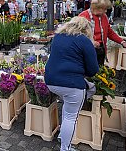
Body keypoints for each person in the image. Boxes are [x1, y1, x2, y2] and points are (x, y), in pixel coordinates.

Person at [45, 17, 99, 151]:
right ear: (86, 29)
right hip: (71, 84)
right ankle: (65, 148)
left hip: (51, 81)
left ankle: (63, 135)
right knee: (71, 116)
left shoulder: (58, 37)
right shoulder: (84, 41)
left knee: (67, 108)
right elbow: (93, 70)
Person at [80, 0, 126, 66]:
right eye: (104, 9)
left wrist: (122, 41)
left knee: (100, 70)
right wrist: (91, 42)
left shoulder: (104, 17)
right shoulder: (83, 16)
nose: (105, 11)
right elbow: (77, 36)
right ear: (96, 7)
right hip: (87, 50)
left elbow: (109, 32)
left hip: (101, 49)